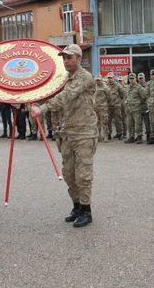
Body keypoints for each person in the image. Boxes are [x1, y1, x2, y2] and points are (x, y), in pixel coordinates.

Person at [31, 44, 97, 228]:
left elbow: (66, 96)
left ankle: (86, 210)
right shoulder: (64, 79)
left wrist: (42, 109)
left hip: (84, 133)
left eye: (69, 57)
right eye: (64, 58)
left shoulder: (84, 77)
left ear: (78, 58)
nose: (66, 61)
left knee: (83, 174)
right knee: (69, 174)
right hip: (67, 133)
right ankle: (76, 207)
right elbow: (49, 92)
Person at [124, 73, 145, 144]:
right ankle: (131, 137)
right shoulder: (127, 87)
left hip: (137, 109)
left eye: (133, 78)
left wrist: (138, 104)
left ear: (135, 79)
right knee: (129, 123)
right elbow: (126, 96)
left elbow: (143, 97)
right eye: (130, 79)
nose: (131, 80)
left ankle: (139, 137)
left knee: (138, 123)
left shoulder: (139, 87)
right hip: (129, 109)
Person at [107, 73, 125, 139]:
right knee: (108, 121)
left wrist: (118, 101)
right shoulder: (106, 85)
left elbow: (122, 94)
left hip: (116, 106)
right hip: (108, 106)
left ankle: (119, 133)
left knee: (118, 120)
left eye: (111, 78)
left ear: (113, 78)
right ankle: (108, 133)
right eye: (109, 78)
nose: (110, 79)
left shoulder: (118, 85)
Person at [94, 76, 111, 143]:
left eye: (99, 80)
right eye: (96, 80)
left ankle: (105, 136)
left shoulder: (105, 87)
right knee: (97, 122)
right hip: (95, 107)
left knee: (104, 122)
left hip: (103, 107)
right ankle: (98, 136)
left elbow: (109, 97)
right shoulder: (94, 87)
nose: (97, 81)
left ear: (101, 80)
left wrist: (105, 103)